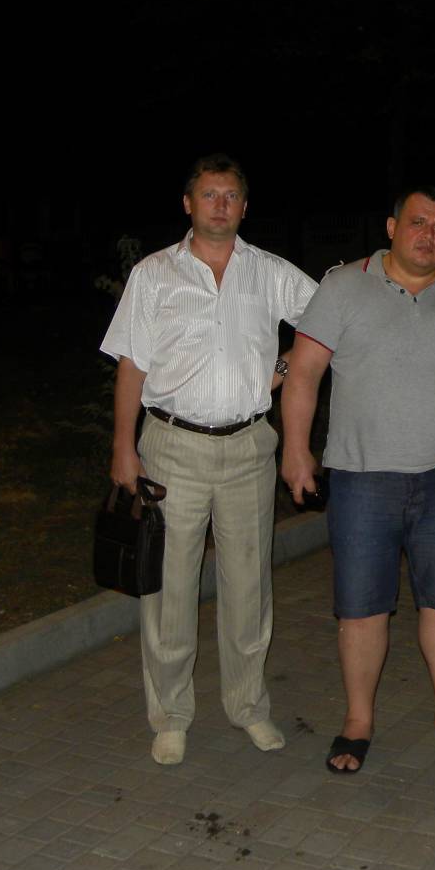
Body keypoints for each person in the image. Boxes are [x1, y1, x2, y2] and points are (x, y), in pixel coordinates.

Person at [280, 186, 435, 773]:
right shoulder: (343, 286)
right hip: (362, 477)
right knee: (361, 609)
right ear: (392, 228)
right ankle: (357, 721)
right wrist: (295, 449)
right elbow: (304, 371)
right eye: (417, 223)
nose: (428, 235)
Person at [101, 153, 317, 766]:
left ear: (245, 207)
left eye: (230, 196)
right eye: (209, 194)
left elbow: (326, 324)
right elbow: (131, 365)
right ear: (188, 204)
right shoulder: (154, 274)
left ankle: (248, 706)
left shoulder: (269, 272)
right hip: (172, 447)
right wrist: (122, 446)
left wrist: (280, 370)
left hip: (248, 446)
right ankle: (170, 715)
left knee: (249, 586)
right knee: (169, 590)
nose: (220, 205)